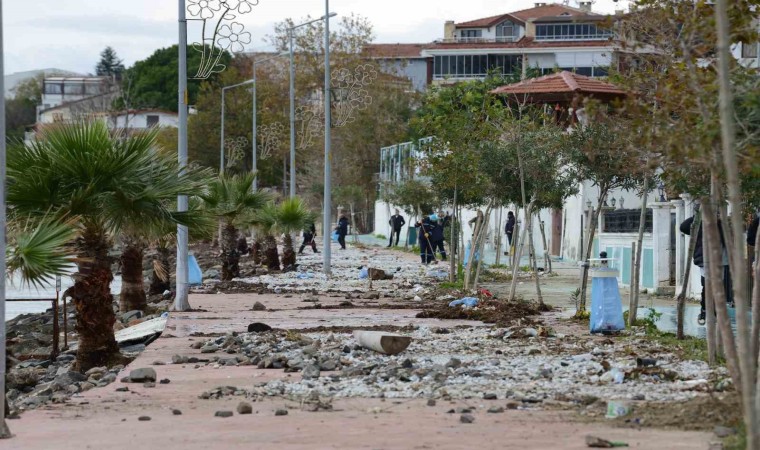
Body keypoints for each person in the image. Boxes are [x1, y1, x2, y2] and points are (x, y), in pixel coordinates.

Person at [680, 212, 732, 325]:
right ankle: (704, 311)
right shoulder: (699, 225)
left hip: (720, 261)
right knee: (707, 286)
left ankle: (716, 312)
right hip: (705, 260)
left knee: (719, 286)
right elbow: (683, 227)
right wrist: (697, 216)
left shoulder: (722, 225)